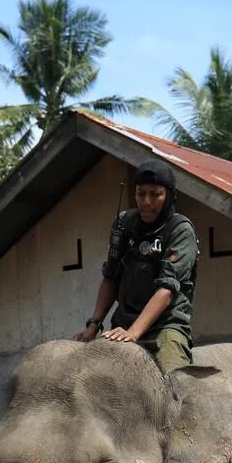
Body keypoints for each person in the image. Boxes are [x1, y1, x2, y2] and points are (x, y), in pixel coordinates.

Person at [75, 158, 197, 372]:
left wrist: (134, 333)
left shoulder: (180, 229)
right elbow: (111, 276)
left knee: (174, 387)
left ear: (169, 195)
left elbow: (167, 290)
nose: (146, 202)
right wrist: (93, 326)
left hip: (164, 327)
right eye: (141, 194)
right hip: (122, 325)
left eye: (155, 194)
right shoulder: (124, 224)